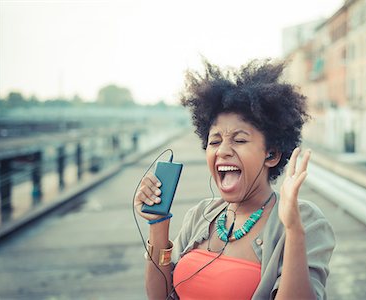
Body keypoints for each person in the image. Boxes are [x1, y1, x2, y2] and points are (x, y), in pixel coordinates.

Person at [134, 59, 336, 300]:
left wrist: (293, 229)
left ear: (271, 154)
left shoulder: (305, 221)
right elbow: (158, 296)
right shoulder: (201, 215)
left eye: (239, 140)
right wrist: (158, 224)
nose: (222, 151)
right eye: (215, 141)